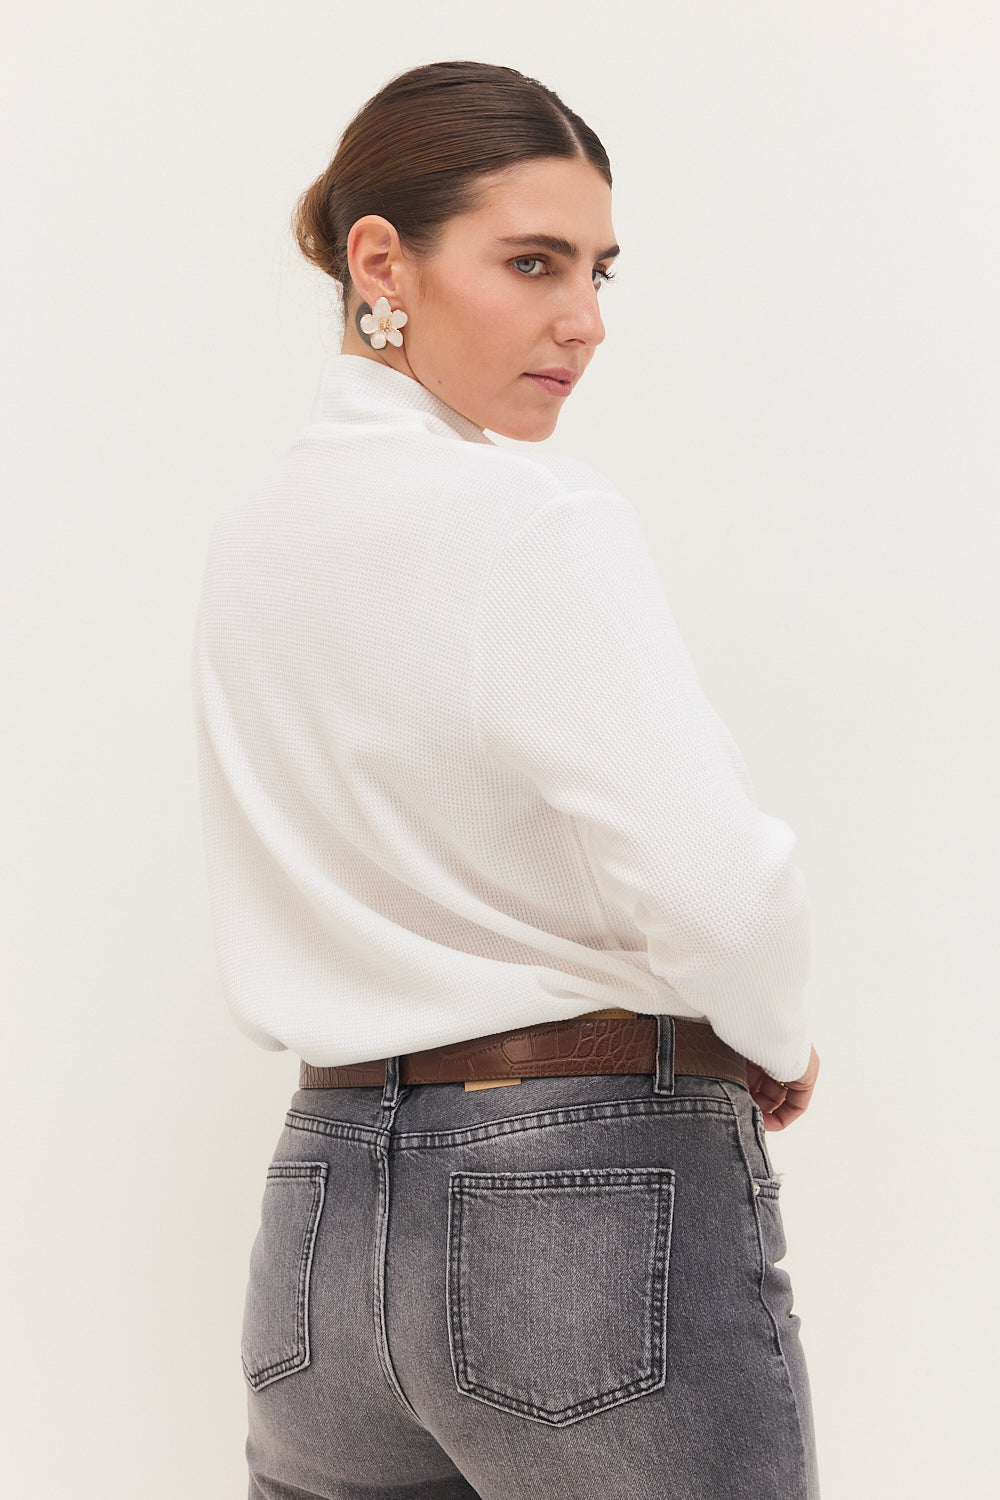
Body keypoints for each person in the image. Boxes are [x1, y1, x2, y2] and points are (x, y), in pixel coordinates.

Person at [193, 58, 822, 1500]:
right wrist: (776, 1032)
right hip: (581, 1197)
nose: (584, 319)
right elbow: (718, 889)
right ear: (382, 264)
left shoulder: (254, 535)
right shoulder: (532, 515)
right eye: (532, 262)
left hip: (319, 1220)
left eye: (600, 269)